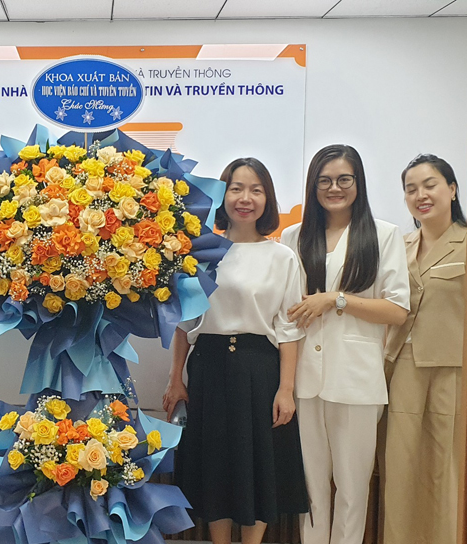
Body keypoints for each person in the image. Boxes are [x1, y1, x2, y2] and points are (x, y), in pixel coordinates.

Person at [163, 158, 308, 544]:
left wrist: (286, 389)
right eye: (236, 189)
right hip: (208, 367)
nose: (246, 198)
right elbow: (183, 323)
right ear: (222, 196)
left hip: (259, 369)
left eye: (256, 190)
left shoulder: (282, 257)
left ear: (267, 199)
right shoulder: (200, 252)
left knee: (257, 463)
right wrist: (175, 378)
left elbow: (289, 329)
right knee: (216, 464)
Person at [281, 144, 409, 544]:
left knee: (353, 488)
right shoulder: (293, 237)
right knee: (312, 488)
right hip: (306, 379)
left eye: (343, 179)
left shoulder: (384, 235)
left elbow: (397, 310)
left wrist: (336, 300)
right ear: (313, 186)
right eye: (324, 181)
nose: (334, 188)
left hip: (356, 380)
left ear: (358, 183)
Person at [381, 154, 466, 544]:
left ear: (452, 189)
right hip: (401, 368)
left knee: (444, 470)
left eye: (430, 185)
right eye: (411, 189)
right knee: (400, 470)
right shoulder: (399, 246)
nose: (421, 195)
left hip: (452, 371)